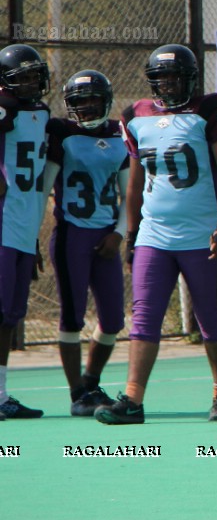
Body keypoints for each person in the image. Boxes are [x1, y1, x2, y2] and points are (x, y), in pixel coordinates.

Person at [96, 44, 217, 425]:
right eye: (162, 78)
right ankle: (132, 399)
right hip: (154, 236)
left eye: (175, 76)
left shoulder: (210, 111)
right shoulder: (137, 116)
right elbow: (134, 185)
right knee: (144, 315)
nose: (169, 84)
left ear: (191, 78)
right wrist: (132, 233)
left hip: (201, 234)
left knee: (210, 315)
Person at [45, 70, 128, 416]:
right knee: (72, 316)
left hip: (106, 234)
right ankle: (77, 393)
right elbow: (43, 187)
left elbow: (130, 194)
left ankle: (91, 381)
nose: (89, 107)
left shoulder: (118, 134)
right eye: (81, 101)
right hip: (71, 233)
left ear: (106, 101)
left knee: (113, 319)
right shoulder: (62, 133)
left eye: (94, 100)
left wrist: (119, 233)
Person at [0, 43, 52, 420]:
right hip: (3, 224)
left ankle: (1, 394)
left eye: (35, 75)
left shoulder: (40, 112)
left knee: (9, 316)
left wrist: (32, 237)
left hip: (21, 225)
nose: (32, 83)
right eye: (23, 77)